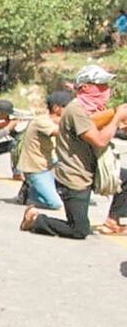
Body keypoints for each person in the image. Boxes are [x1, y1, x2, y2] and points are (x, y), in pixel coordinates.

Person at [21, 65, 127, 238]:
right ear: (85, 87)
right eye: (101, 85)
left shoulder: (94, 109)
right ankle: (36, 219)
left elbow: (105, 129)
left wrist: (119, 121)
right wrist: (117, 119)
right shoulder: (76, 110)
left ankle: (113, 221)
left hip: (92, 170)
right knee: (78, 230)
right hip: (74, 177)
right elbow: (100, 140)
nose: (106, 90)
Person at [15, 90, 73, 209]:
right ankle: (29, 195)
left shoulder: (52, 121)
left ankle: (37, 189)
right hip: (36, 168)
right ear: (56, 108)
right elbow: (59, 131)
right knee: (55, 204)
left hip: (48, 165)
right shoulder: (41, 121)